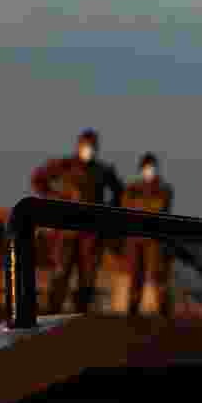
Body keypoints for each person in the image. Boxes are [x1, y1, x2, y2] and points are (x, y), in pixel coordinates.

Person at [31, 129, 123, 314]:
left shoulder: (102, 171)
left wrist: (106, 211)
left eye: (92, 146)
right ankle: (51, 314)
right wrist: (54, 198)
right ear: (79, 146)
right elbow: (38, 178)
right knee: (61, 273)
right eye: (86, 145)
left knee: (87, 278)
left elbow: (119, 192)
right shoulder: (65, 165)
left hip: (90, 232)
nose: (89, 149)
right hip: (67, 231)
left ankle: (81, 315)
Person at [118, 152, 174, 316]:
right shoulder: (132, 188)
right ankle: (132, 314)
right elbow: (126, 207)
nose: (150, 170)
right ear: (141, 169)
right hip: (135, 240)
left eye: (151, 167)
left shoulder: (164, 189)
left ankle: (164, 316)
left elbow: (160, 207)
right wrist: (144, 207)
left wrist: (139, 206)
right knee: (135, 279)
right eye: (147, 167)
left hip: (155, 241)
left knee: (158, 280)